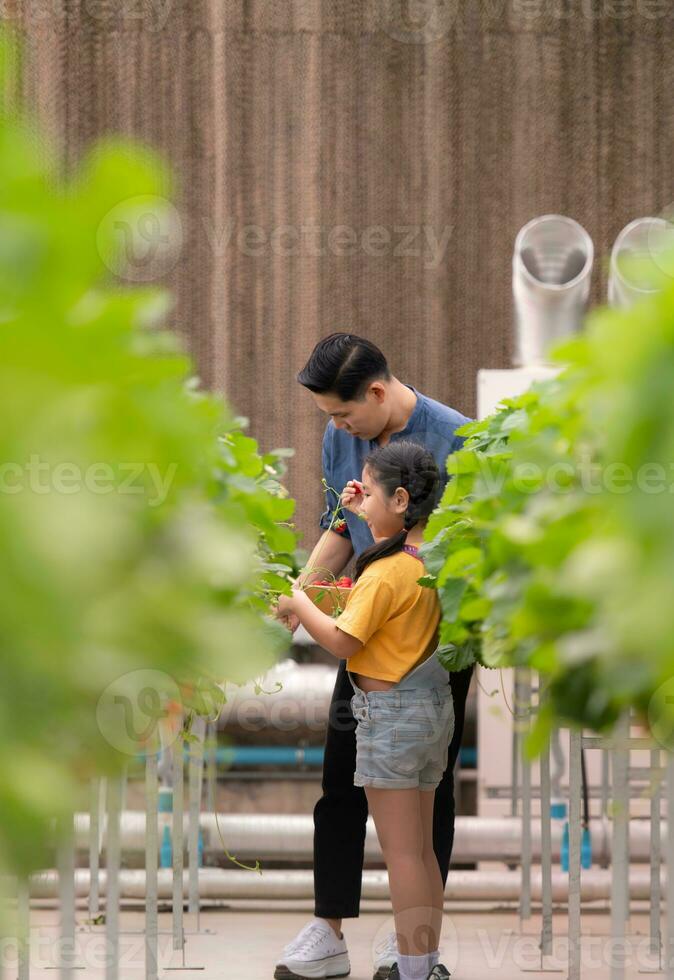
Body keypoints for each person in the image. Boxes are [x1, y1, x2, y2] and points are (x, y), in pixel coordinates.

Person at [275, 334, 473, 980]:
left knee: (426, 798)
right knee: (342, 779)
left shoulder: (457, 439)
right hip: (368, 638)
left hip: (425, 650)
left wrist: (306, 610)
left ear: (378, 393)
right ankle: (330, 925)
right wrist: (303, 586)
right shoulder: (344, 441)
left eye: (342, 414)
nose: (338, 429)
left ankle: (410, 945)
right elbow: (341, 523)